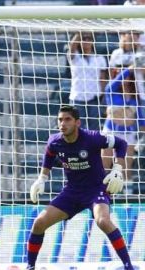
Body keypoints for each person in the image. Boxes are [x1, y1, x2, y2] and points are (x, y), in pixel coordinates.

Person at [26, 105, 134, 270]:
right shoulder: (55, 141)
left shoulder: (92, 138)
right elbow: (49, 155)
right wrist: (42, 178)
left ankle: (128, 266)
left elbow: (121, 143)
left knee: (103, 221)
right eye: (60, 120)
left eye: (67, 119)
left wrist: (117, 169)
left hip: (96, 190)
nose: (63, 123)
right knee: (39, 223)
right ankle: (30, 266)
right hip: (72, 192)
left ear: (78, 123)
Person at [102, 64, 144, 184]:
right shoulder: (111, 92)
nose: (125, 79)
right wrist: (128, 70)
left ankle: (128, 194)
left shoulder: (135, 99)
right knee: (105, 165)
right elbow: (111, 85)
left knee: (126, 168)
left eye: (128, 76)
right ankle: (99, 193)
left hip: (128, 134)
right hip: (110, 132)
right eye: (122, 76)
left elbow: (140, 120)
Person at [67, 31, 108, 131]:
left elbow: (102, 79)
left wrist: (103, 96)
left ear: (93, 41)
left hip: (94, 98)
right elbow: (72, 46)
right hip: (78, 98)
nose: (86, 41)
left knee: (95, 129)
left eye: (89, 38)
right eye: (83, 38)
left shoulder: (100, 58)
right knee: (77, 129)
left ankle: (94, 147)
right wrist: (80, 31)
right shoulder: (75, 57)